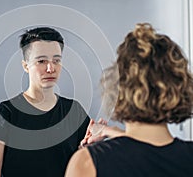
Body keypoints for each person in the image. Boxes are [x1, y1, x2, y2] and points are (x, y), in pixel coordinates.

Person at [65, 23, 193, 177]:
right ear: (180, 86)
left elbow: (139, 150)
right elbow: (150, 150)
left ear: (117, 87)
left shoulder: (87, 163)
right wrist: (109, 131)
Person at [0, 27, 90, 177]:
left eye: (56, 60)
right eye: (41, 61)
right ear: (26, 66)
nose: (51, 68)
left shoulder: (74, 111)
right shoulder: (7, 113)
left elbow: (86, 167)